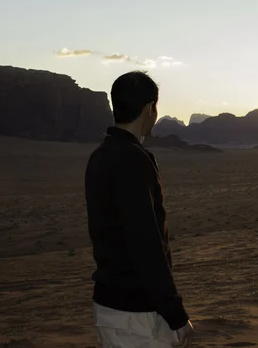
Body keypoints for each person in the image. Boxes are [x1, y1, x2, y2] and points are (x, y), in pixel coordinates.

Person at [85, 71, 193, 347]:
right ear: (149, 109)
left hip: (115, 307)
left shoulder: (100, 156)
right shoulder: (132, 160)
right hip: (134, 313)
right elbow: (145, 241)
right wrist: (175, 312)